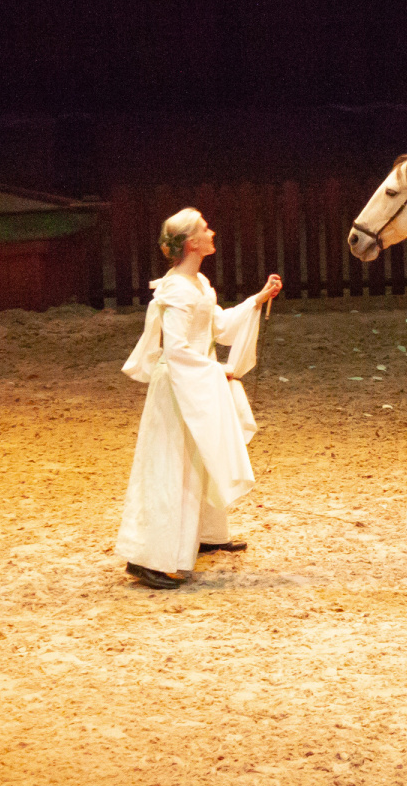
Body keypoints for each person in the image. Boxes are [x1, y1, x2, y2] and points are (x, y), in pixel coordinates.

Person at [116, 208, 283, 589]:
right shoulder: (176, 290)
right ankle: (146, 558)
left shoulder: (198, 283)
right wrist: (215, 370)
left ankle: (205, 533)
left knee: (200, 455)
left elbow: (217, 327)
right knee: (170, 464)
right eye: (205, 229)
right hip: (178, 385)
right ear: (191, 243)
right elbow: (175, 349)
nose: (212, 233)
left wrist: (258, 299)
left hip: (196, 377)